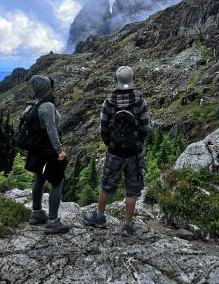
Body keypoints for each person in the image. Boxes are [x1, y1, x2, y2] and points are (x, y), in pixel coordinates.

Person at [83, 66, 150, 235]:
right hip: (134, 153)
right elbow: (145, 127)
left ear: (117, 80)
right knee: (132, 189)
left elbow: (103, 127)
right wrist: (138, 143)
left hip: (114, 151)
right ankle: (127, 225)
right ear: (132, 79)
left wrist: (110, 143)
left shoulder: (109, 101)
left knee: (106, 184)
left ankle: (99, 216)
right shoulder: (140, 100)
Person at [26, 74, 69, 234]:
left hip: (37, 150)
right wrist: (60, 151)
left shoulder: (34, 104)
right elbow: (51, 130)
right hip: (49, 151)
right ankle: (52, 221)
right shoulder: (48, 106)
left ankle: (36, 213)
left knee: (39, 178)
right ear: (46, 89)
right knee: (57, 182)